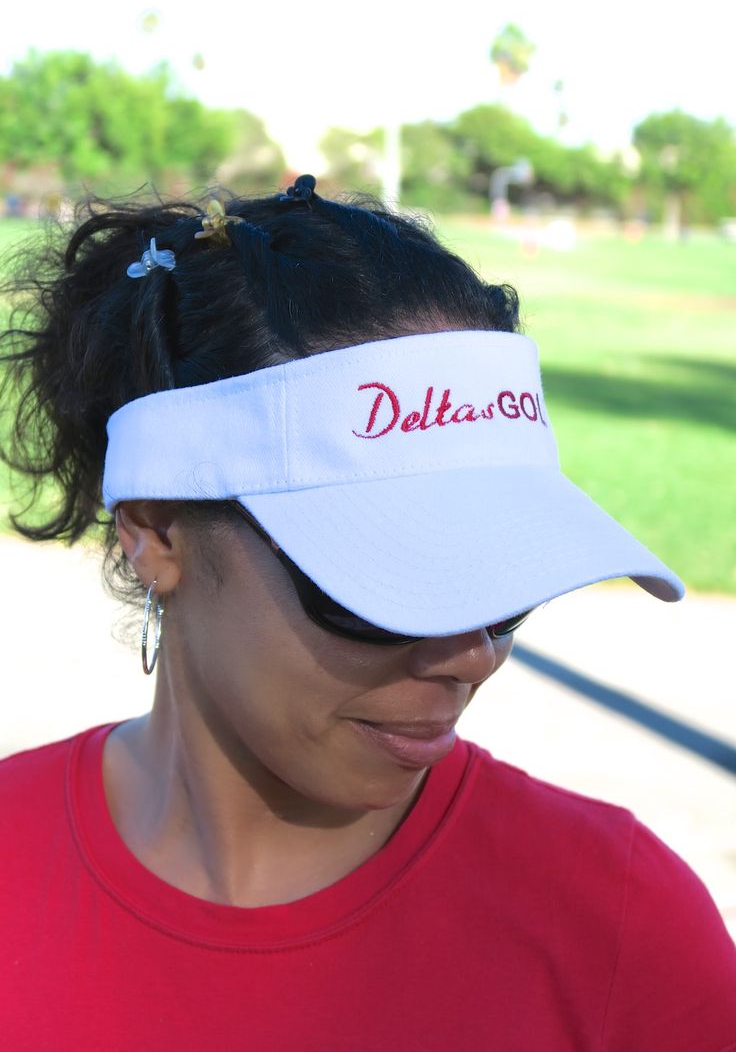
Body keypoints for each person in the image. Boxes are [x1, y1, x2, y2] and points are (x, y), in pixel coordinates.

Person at [1, 176, 734, 1051]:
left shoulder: (620, 930)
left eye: (506, 584)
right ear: (157, 527)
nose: (474, 655)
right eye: (389, 581)